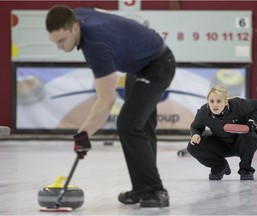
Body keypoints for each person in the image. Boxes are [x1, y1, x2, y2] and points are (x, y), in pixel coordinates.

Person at [46, 5, 175, 208]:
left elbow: (106, 101)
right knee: (139, 125)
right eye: (54, 42)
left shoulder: (95, 46)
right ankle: (142, 189)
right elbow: (102, 13)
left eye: (62, 40)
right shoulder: (78, 14)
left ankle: (155, 191)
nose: (60, 47)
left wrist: (83, 134)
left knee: (128, 123)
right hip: (140, 66)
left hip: (158, 65)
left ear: (75, 28)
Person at [187, 85, 257, 181]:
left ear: (225, 101)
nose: (215, 105)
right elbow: (195, 127)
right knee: (192, 146)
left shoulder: (238, 105)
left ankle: (246, 169)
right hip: (221, 144)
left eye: (218, 101)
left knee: (250, 136)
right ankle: (220, 166)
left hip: (242, 143)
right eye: (211, 101)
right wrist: (195, 134)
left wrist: (252, 120)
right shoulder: (204, 112)